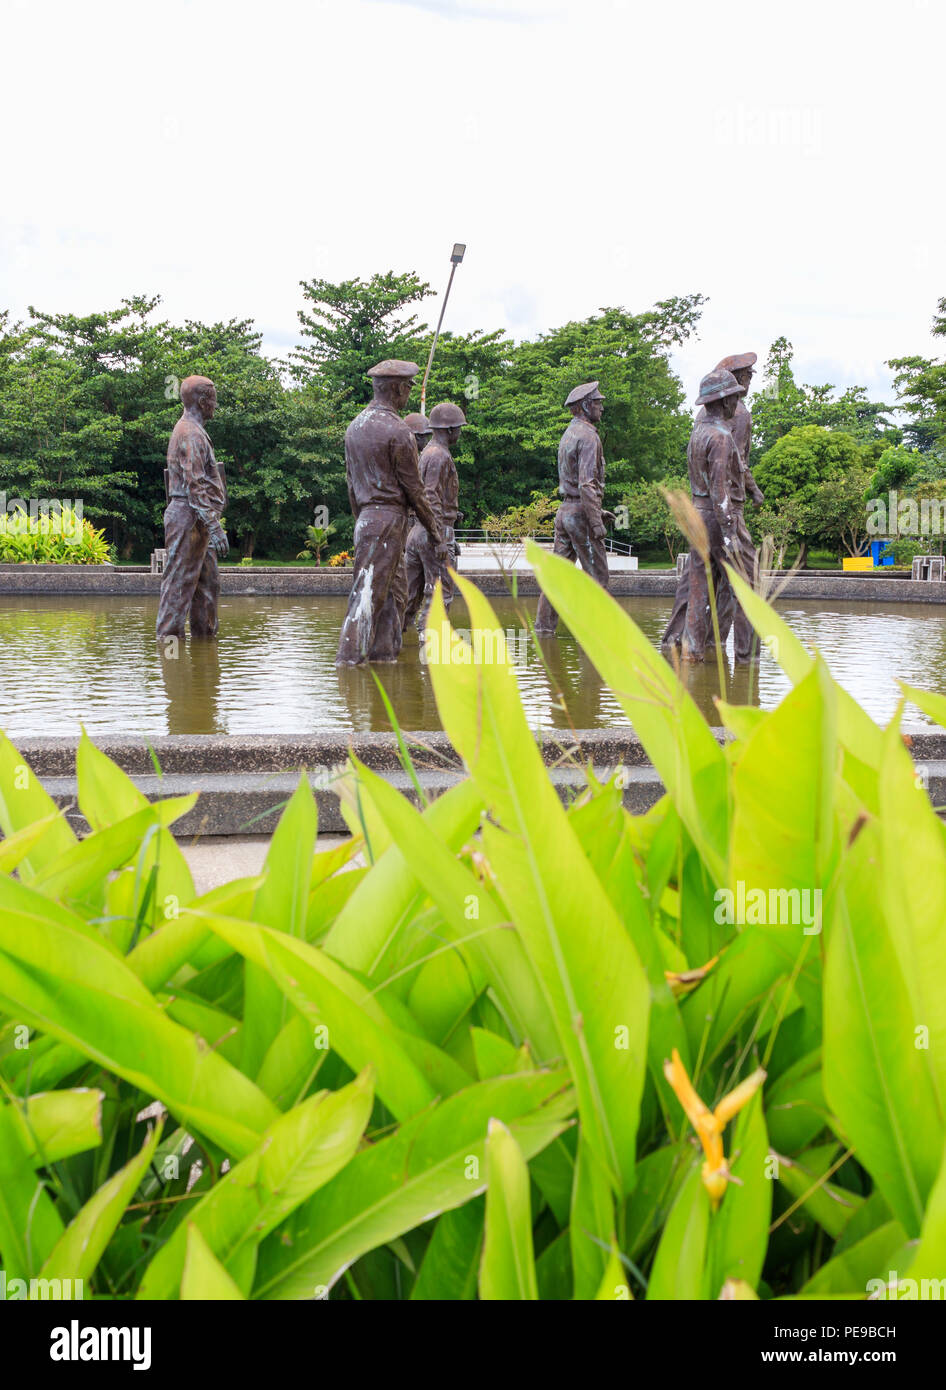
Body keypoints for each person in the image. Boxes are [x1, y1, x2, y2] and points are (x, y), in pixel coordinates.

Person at [336, 360, 446, 665]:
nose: (409, 393)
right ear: (396, 387)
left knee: (394, 597)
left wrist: (361, 520)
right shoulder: (398, 431)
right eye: (408, 387)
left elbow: (350, 485)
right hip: (387, 520)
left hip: (370, 519)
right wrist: (436, 533)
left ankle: (384, 660)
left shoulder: (354, 428)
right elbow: (416, 491)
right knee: (367, 597)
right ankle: (347, 664)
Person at [662, 352, 764, 653]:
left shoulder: (700, 425)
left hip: (698, 511)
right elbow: (727, 479)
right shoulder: (727, 428)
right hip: (722, 514)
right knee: (746, 585)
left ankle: (686, 647)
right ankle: (744, 655)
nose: (744, 386)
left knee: (695, 585)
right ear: (725, 398)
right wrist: (732, 530)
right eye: (741, 380)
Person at [534, 381, 614, 636]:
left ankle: (544, 630)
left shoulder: (569, 433)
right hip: (580, 515)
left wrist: (597, 511)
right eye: (598, 403)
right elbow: (586, 483)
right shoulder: (589, 435)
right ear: (585, 405)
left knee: (556, 578)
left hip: (565, 513)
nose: (602, 407)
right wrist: (596, 522)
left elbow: (575, 484)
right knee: (597, 579)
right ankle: (596, 637)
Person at [155, 375, 229, 640]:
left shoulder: (196, 431)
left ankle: (205, 654)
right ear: (201, 401)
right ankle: (171, 658)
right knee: (178, 588)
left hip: (198, 521)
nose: (215, 406)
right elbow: (194, 486)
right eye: (213, 400)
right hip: (189, 518)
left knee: (208, 588)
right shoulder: (189, 433)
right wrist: (215, 527)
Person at [402, 400, 464, 631]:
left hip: (417, 531)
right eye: (459, 428)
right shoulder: (440, 455)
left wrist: (453, 511)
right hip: (433, 532)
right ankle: (430, 648)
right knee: (440, 594)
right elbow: (430, 497)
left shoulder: (426, 452)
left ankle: (392, 646)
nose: (460, 433)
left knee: (410, 596)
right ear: (449, 430)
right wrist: (439, 537)